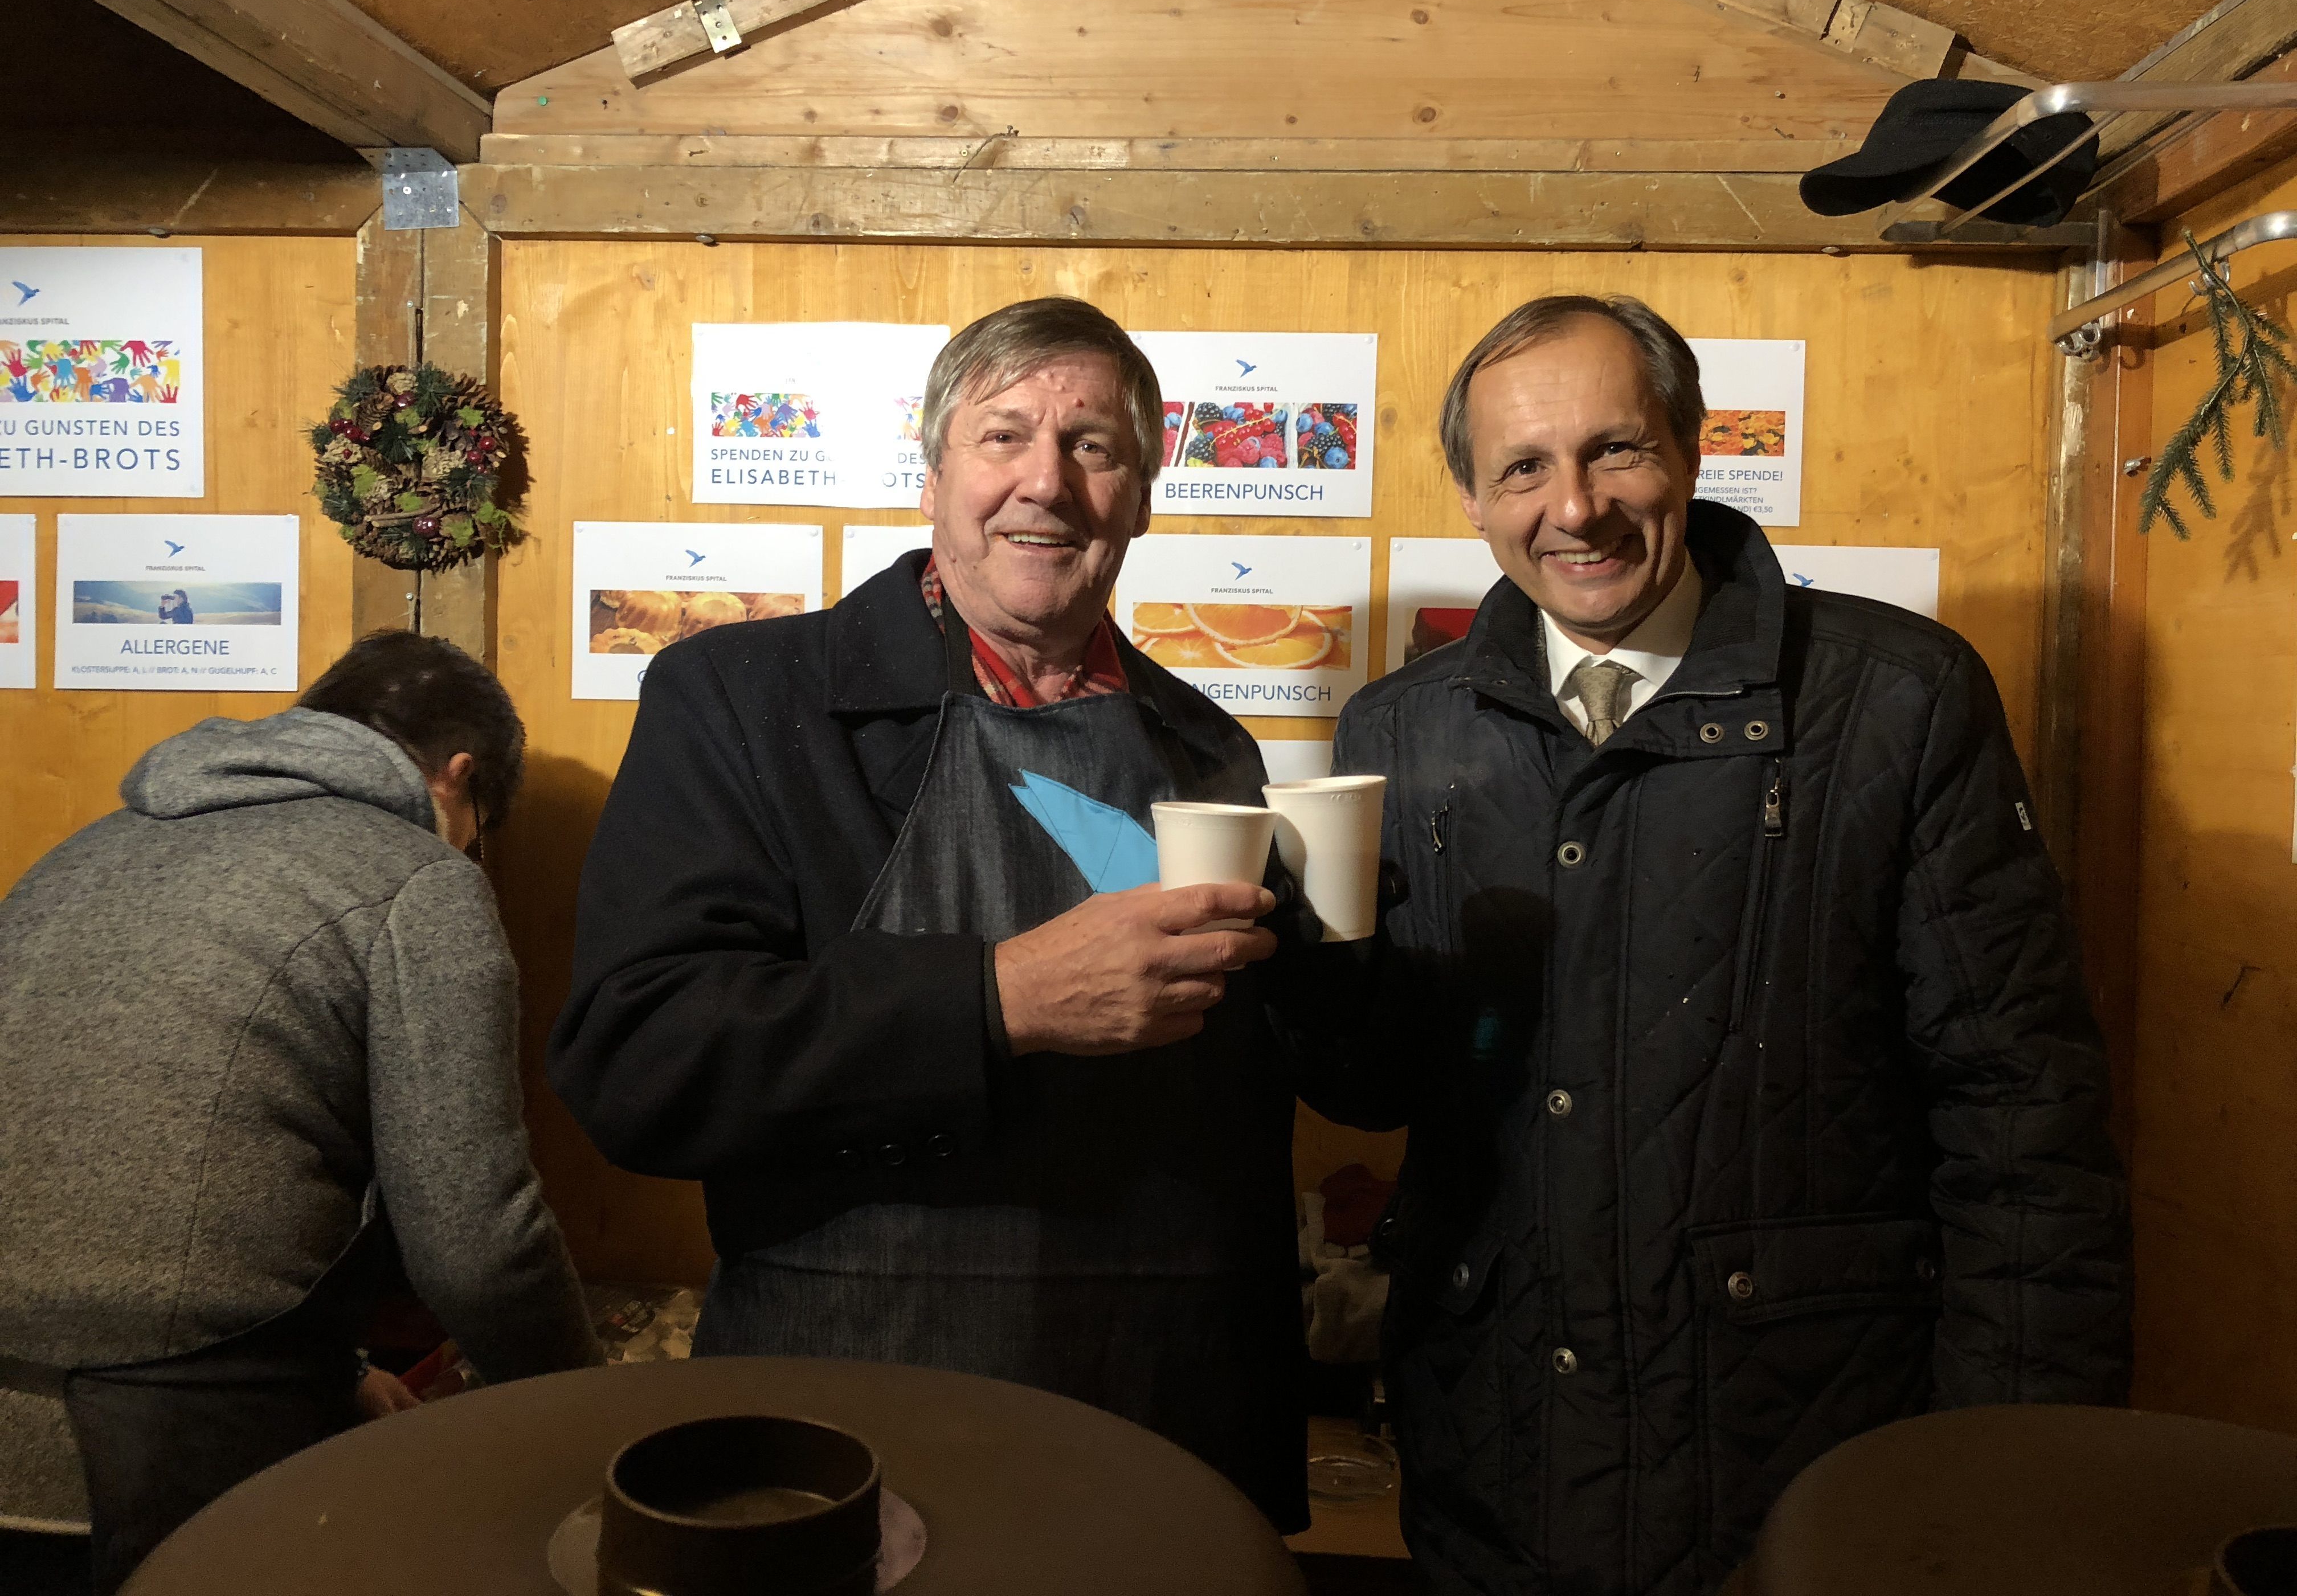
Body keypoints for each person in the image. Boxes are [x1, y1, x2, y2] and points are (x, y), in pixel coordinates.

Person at [1281, 295, 2130, 1594]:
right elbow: (1383, 1087)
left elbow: (2024, 1120)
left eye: (1615, 449)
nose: (1576, 508)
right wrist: (1302, 970)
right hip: (1493, 1463)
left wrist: (2008, 1472)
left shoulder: (1897, 698)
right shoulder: (1400, 728)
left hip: (1808, 1464)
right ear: (1471, 498)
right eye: (1523, 467)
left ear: (1689, 446)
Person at [551, 296, 1306, 1528]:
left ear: (1145, 494)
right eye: (1004, 437)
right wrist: (997, 1001)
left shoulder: (1206, 743)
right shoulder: (745, 699)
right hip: (849, 1422)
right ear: (934, 476)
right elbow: (636, 1056)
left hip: (1151, 1431)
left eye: (1095, 447)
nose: (1045, 484)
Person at [0, 632, 600, 1595]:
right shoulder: (415, 877)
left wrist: (340, 1370)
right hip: (158, 1432)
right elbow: (477, 1239)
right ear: (459, 779)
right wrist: (588, 1413)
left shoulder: (89, 848)